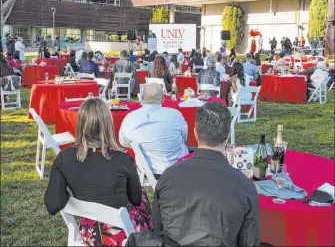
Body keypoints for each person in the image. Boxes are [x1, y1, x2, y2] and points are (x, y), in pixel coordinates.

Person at [44, 98, 153, 246]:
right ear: (108, 124)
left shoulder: (64, 158)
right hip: (124, 234)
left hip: (91, 233)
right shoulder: (124, 159)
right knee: (144, 201)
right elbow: (135, 200)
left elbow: (53, 204)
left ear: (80, 123)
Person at [151, 101, 261, 246]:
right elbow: (249, 242)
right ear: (228, 135)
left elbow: (158, 228)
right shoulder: (245, 186)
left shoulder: (168, 176)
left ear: (195, 133)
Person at [119, 83, 188, 177]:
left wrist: (143, 145)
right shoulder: (175, 115)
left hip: (148, 171)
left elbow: (123, 142)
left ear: (142, 98)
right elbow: (184, 138)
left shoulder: (130, 117)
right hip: (177, 169)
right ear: (163, 98)